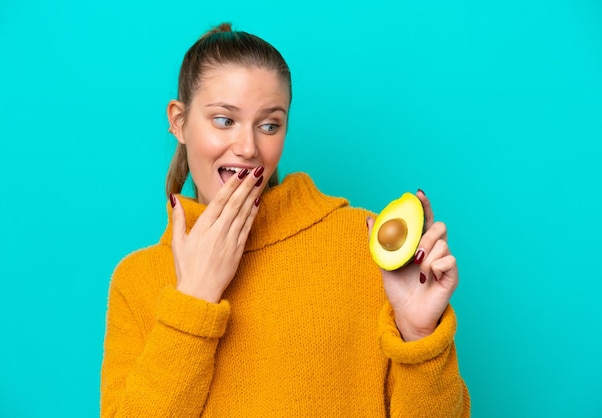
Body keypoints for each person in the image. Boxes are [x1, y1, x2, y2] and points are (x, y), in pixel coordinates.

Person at [101, 23, 471, 417]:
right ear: (178, 121)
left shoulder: (364, 246)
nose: (247, 148)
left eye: (269, 125)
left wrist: (419, 338)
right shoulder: (137, 280)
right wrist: (193, 299)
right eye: (224, 120)